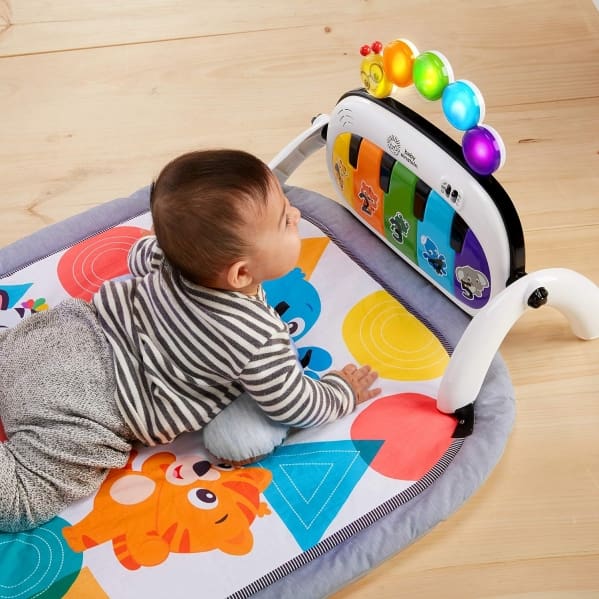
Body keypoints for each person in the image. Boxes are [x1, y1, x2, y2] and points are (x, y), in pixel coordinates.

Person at [0, 149, 380, 533]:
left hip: (57, 338)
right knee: (21, 500)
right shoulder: (257, 337)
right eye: (286, 221)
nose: (297, 215)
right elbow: (296, 405)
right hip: (92, 406)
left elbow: (139, 254)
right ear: (241, 272)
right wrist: (341, 390)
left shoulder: (170, 257)